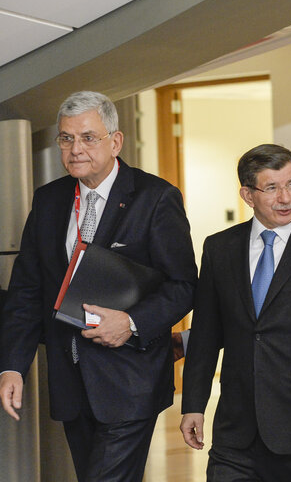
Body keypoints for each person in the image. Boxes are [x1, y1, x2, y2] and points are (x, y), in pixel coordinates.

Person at [0, 91, 197, 481]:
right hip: (70, 382)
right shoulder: (49, 200)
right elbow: (26, 290)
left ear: (115, 141)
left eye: (88, 137)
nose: (76, 149)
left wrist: (131, 322)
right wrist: (12, 366)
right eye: (66, 138)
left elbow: (184, 286)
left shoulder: (155, 198)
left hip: (130, 380)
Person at [180, 144, 291, 482]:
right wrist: (193, 403)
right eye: (272, 187)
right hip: (236, 433)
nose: (286, 198)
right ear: (247, 195)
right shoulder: (219, 248)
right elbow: (205, 335)